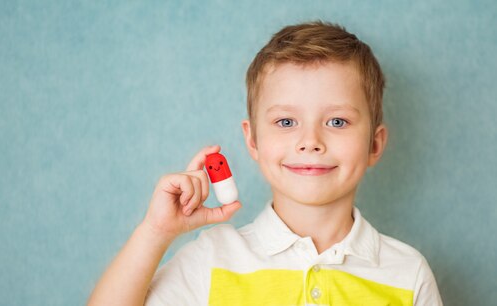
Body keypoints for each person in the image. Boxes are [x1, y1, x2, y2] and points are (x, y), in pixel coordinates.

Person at [88, 20, 443, 305]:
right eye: (286, 122)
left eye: (337, 122)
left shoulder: (407, 274)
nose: (310, 142)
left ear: (375, 144)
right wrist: (156, 233)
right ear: (253, 140)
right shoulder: (213, 260)